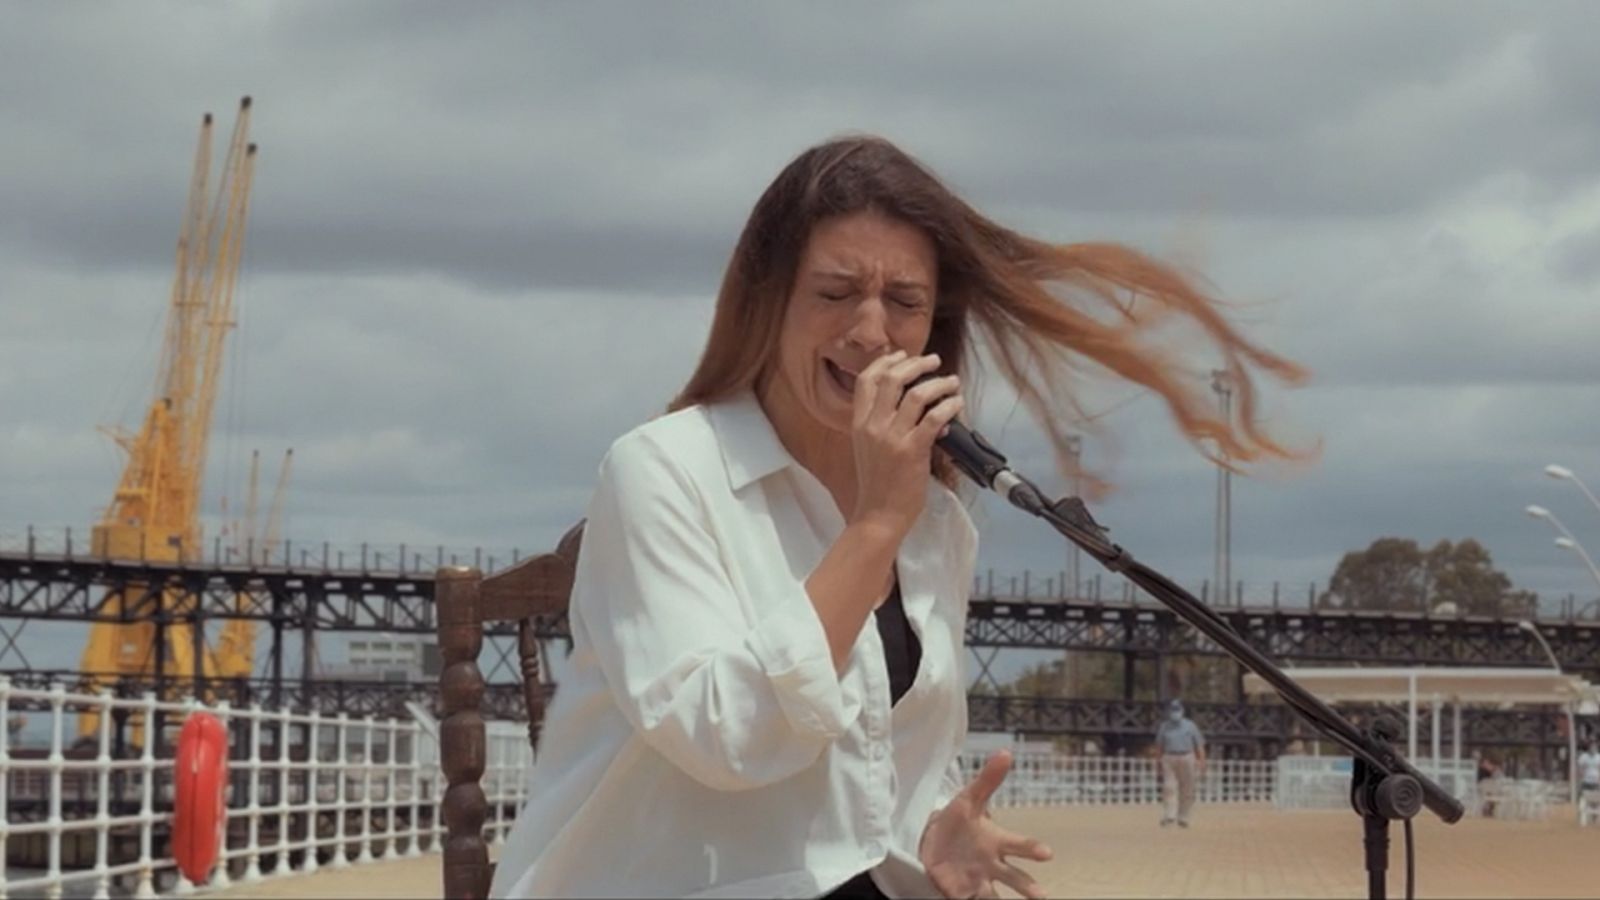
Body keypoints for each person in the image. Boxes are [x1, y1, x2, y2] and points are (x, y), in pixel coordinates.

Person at [489, 135, 1309, 899]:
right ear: (768, 302)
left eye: (905, 303)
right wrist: (875, 525)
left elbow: (884, 767)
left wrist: (935, 834)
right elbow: (725, 737)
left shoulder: (936, 519)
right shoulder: (662, 471)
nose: (871, 332)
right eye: (836, 294)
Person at [1154, 699, 1206, 827]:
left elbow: (1199, 745)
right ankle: (1169, 815)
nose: (1175, 713)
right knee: (1168, 787)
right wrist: (1157, 763)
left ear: (1182, 711)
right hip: (1169, 757)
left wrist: (1202, 761)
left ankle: (1184, 817)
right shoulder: (1164, 726)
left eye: (1177, 710)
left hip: (1187, 756)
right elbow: (1159, 746)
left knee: (1187, 788)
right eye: (1173, 710)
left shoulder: (1190, 726)